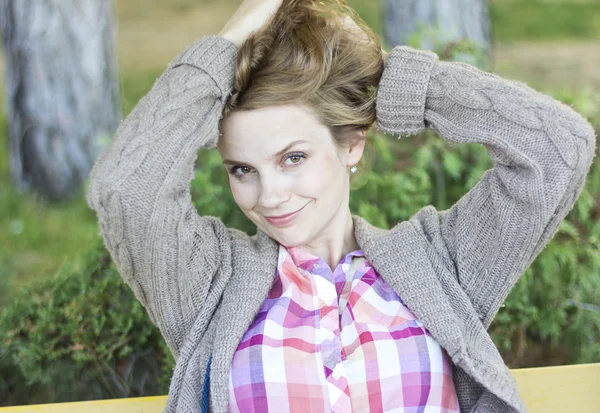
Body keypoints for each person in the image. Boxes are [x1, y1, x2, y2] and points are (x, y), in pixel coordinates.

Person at [86, 0, 597, 412]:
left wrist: (389, 79)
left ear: (351, 144)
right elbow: (126, 189)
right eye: (242, 169)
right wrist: (235, 33)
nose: (269, 196)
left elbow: (557, 148)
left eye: (293, 157)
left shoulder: (442, 264)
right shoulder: (211, 284)